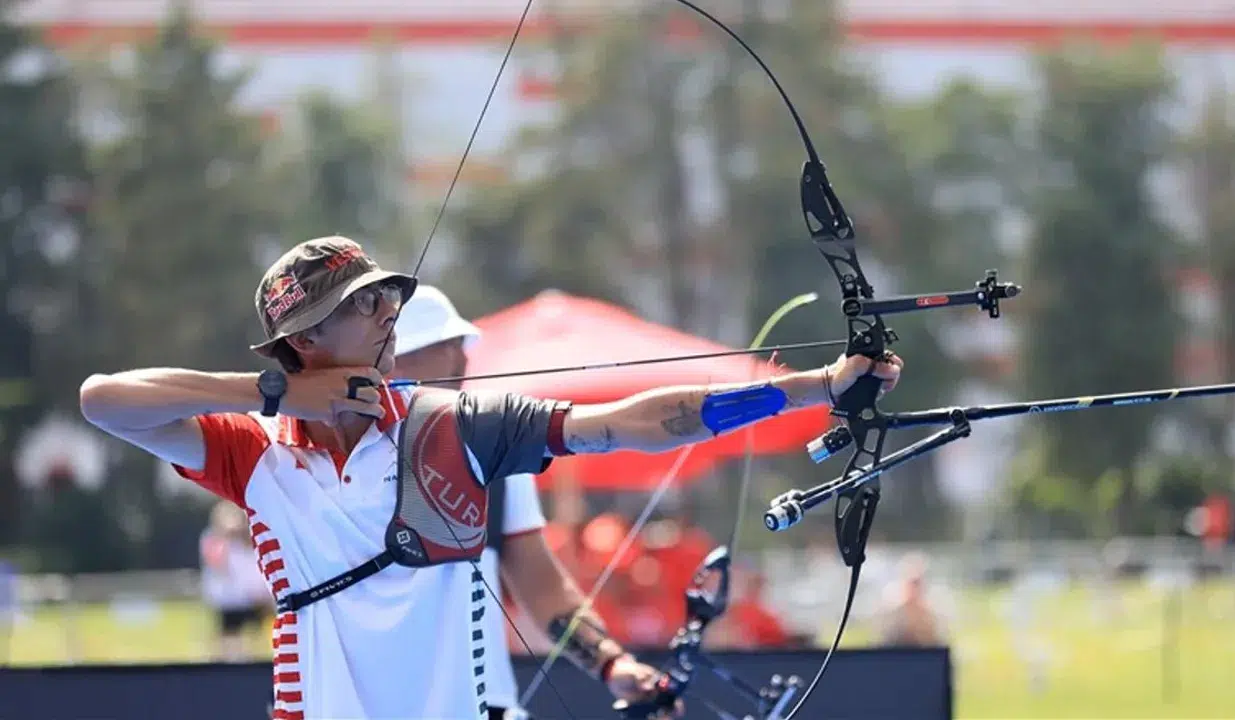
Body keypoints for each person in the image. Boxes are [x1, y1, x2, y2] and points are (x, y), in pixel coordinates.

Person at [78, 236, 904, 720]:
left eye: (387, 302)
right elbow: (104, 401)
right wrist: (275, 393)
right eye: (366, 307)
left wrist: (815, 387)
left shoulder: (456, 425)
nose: (388, 316)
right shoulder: (257, 452)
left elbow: (634, 423)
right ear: (304, 338)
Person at [393, 285, 646, 719]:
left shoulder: (494, 451)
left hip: (483, 706)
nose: (464, 360)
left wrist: (610, 662)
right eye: (447, 346)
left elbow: (539, 580)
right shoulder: (328, 457)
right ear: (392, 360)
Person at [198, 499, 273, 660]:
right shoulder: (213, 539)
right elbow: (217, 562)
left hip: (250, 598)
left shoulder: (249, 539)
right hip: (227, 599)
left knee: (255, 639)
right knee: (227, 639)